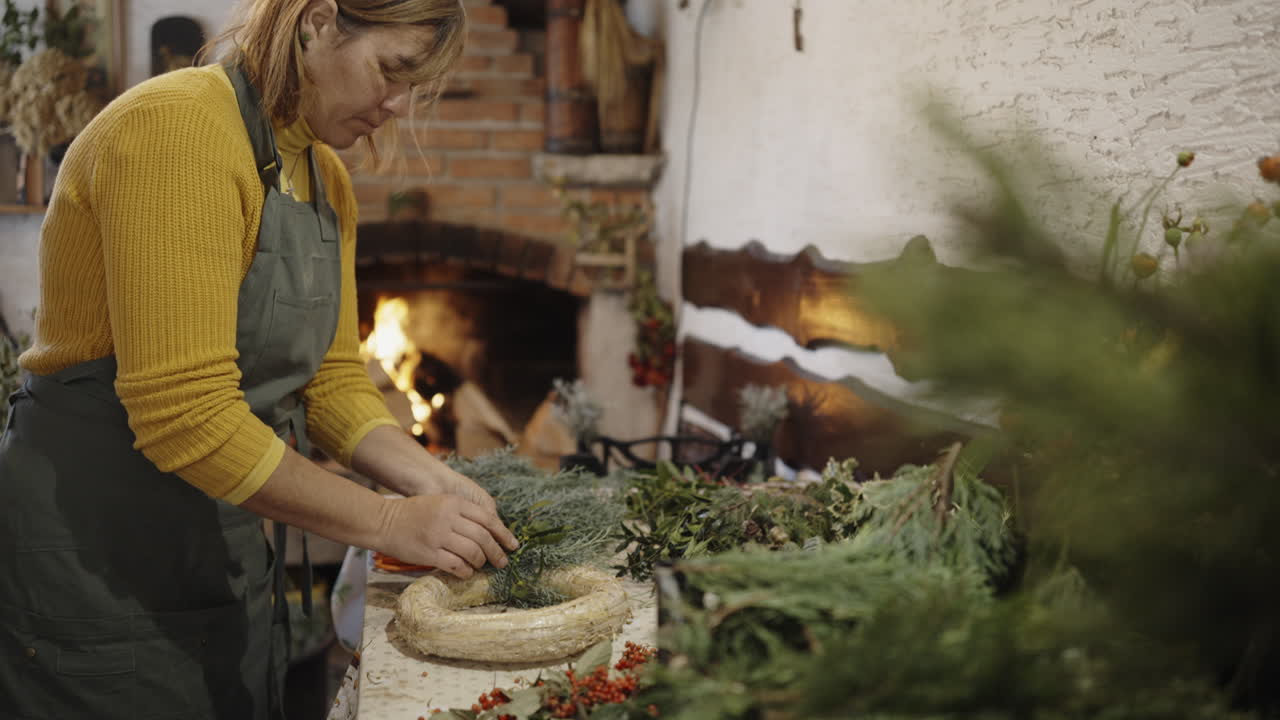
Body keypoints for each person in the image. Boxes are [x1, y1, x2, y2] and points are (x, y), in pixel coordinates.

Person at [0, 1, 519, 717]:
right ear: (318, 21)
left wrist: (435, 478)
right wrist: (390, 523)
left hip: (219, 537)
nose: (397, 105)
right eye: (391, 71)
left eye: (414, 87)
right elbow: (187, 416)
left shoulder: (323, 178)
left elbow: (333, 381)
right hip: (95, 549)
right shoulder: (176, 130)